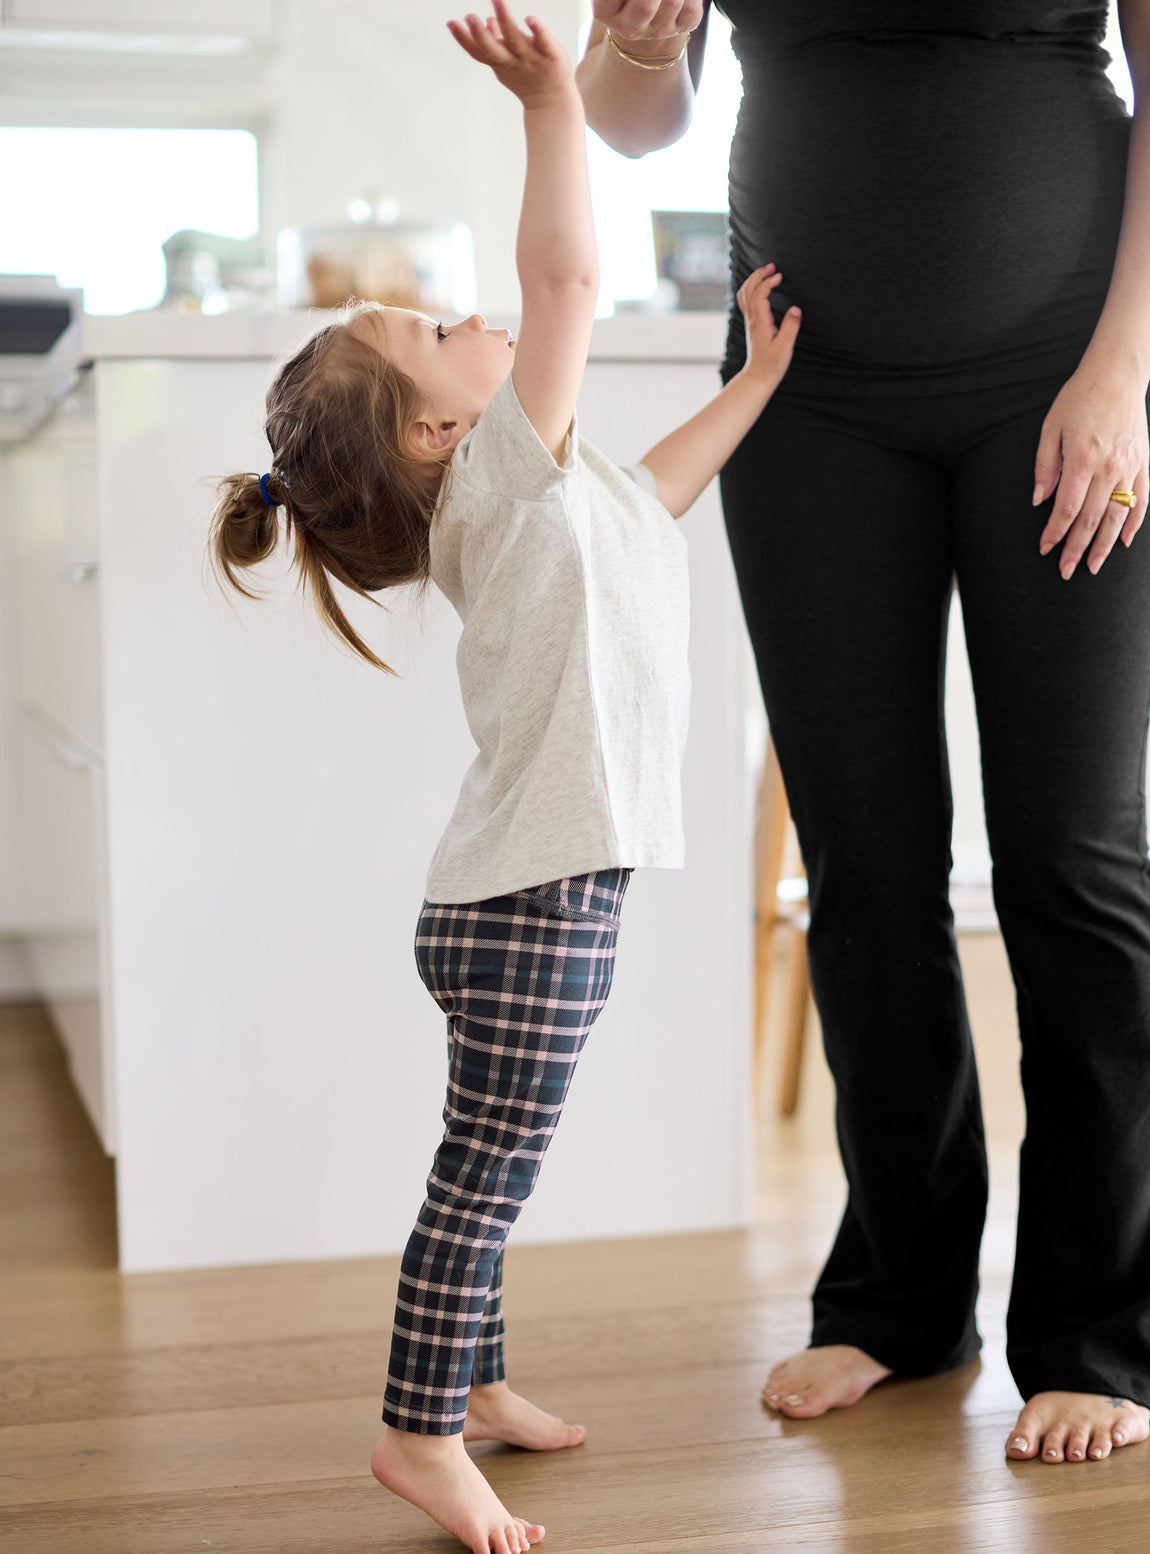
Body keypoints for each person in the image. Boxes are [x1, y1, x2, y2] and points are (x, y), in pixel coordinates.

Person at [579, 0, 1150, 1468]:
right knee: (861, 857)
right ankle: (902, 1296)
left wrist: (1126, 360)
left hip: (1067, 375)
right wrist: (644, 47)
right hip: (802, 402)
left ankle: (1104, 1327)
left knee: (1070, 852)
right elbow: (630, 114)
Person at [209, 6, 800, 1549]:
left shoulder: (544, 493)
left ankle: (472, 1390)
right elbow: (565, 277)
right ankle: (418, 1433)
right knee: (478, 1186)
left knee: (487, 1165)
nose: (476, 312)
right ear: (439, 428)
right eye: (435, 326)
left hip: (519, 895)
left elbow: (656, 496)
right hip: (531, 906)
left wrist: (756, 381)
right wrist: (553, 106)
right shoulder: (500, 473)